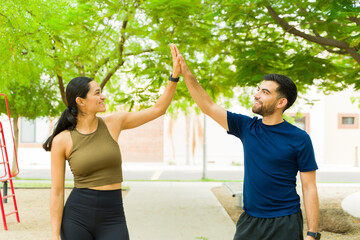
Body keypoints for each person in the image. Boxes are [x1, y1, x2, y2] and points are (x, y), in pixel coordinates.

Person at [171, 44, 320, 240]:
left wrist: (312, 234)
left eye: (265, 92)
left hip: (285, 222)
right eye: (259, 89)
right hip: (250, 221)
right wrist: (184, 72)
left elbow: (309, 187)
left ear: (281, 102)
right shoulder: (247, 127)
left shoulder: (300, 138)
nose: (257, 94)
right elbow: (207, 105)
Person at [43, 44, 181, 240]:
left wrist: (174, 76)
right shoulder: (62, 140)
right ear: (80, 101)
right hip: (77, 218)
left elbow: (158, 109)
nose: (103, 96)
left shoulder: (114, 123)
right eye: (97, 93)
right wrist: (54, 235)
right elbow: (57, 192)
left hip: (112, 217)